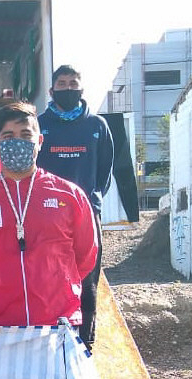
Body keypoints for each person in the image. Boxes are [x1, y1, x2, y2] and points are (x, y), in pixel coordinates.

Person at [0, 101, 98, 328]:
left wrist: (58, 286)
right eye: (8, 136)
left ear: (40, 141)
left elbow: (85, 257)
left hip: (56, 323)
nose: (17, 142)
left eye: (26, 135)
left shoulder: (69, 195)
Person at [36, 65, 113, 349]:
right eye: (62, 83)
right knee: (48, 277)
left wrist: (89, 202)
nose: (68, 88)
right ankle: (48, 340)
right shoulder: (39, 124)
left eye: (73, 83)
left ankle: (85, 342)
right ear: (52, 90)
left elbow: (103, 174)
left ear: (81, 88)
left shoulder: (97, 126)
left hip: (86, 216)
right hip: (46, 216)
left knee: (87, 279)